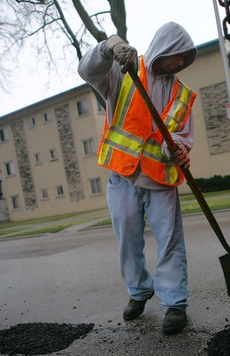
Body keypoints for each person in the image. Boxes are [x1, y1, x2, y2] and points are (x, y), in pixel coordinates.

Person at [77, 22, 197, 334]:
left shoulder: (181, 93)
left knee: (170, 241)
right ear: (164, 48)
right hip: (123, 176)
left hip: (160, 179)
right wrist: (109, 47)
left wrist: (180, 151)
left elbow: (183, 135)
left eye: (185, 58)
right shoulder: (123, 71)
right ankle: (139, 291)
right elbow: (87, 71)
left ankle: (174, 302)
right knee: (127, 242)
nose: (179, 63)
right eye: (177, 56)